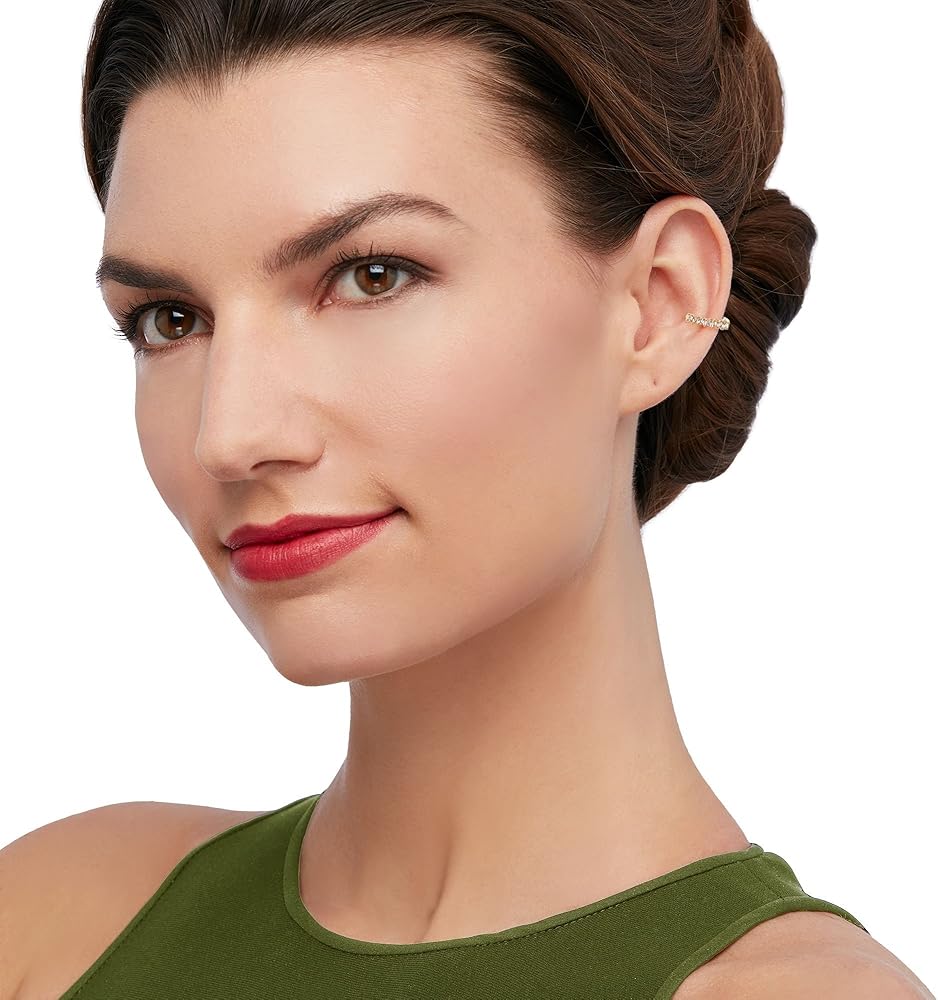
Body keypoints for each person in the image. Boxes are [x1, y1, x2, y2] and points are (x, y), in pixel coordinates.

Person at [0, 1, 932, 998]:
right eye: (169, 319)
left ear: (657, 304)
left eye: (371, 275)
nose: (228, 435)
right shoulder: (54, 922)